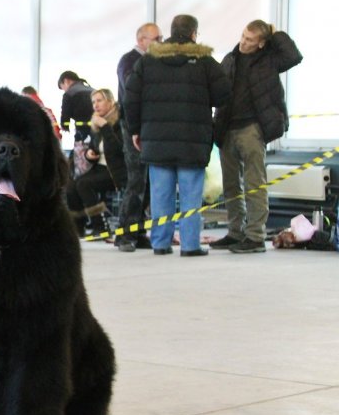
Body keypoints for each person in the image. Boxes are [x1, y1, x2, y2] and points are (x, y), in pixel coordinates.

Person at [124, 14, 231, 257]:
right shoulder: (204, 60)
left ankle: (160, 244)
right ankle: (190, 245)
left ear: (170, 32)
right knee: (191, 195)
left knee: (161, 194)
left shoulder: (148, 60)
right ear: (194, 33)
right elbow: (223, 94)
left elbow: (130, 97)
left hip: (156, 139)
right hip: (192, 139)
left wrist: (135, 130)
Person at [212, 20, 303, 254]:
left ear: (262, 43)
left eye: (250, 40)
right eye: (243, 36)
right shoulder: (230, 59)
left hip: (252, 128)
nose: (243, 42)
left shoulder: (270, 60)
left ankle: (255, 235)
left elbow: (294, 56)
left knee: (255, 183)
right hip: (226, 128)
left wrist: (275, 33)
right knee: (231, 185)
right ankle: (235, 231)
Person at [114, 22, 162, 252]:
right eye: (157, 38)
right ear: (142, 39)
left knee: (148, 181)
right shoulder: (129, 61)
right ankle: (124, 232)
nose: (161, 42)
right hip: (133, 127)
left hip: (147, 127)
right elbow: (133, 94)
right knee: (136, 181)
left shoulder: (150, 61)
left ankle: (139, 230)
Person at [67, 88, 127, 236]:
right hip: (99, 168)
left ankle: (100, 224)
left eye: (99, 101)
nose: (95, 105)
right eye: (93, 102)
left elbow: (119, 149)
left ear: (110, 101)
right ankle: (78, 226)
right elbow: (95, 148)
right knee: (71, 186)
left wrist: (105, 127)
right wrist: (89, 154)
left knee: (83, 184)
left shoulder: (119, 122)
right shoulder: (96, 123)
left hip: (116, 171)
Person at [57, 70, 94, 142]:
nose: (64, 90)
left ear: (66, 81)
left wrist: (65, 126)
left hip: (82, 129)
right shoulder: (93, 90)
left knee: (81, 150)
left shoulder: (69, 93)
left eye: (63, 87)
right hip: (98, 126)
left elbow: (65, 113)